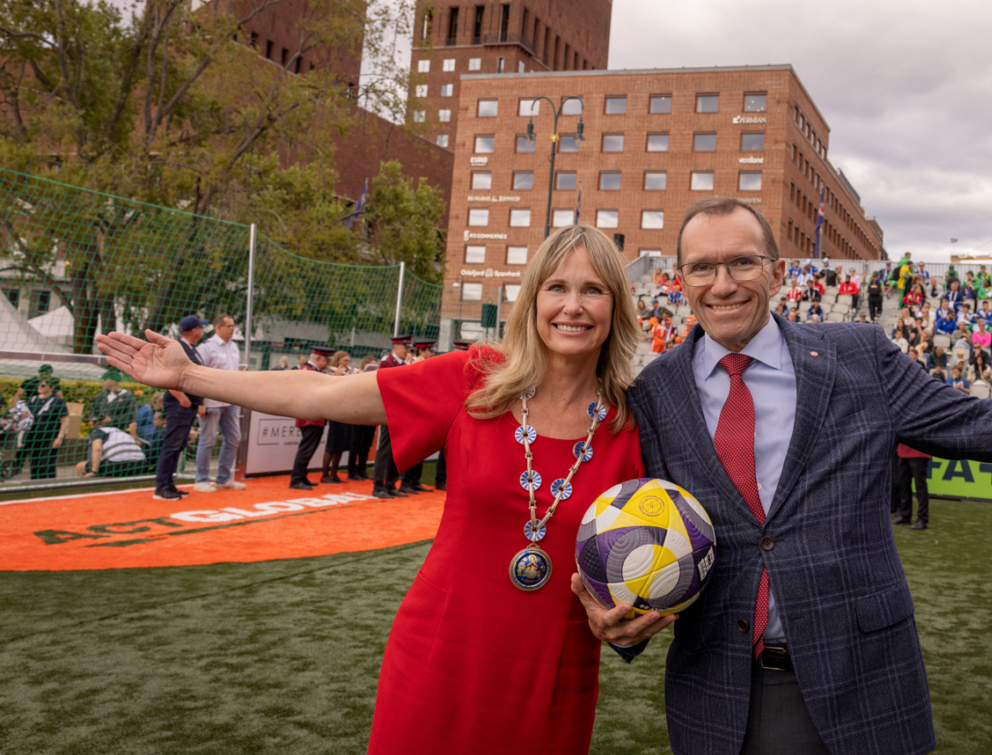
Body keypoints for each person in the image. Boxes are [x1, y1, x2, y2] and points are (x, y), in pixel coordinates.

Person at [572, 196, 992, 755]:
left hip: (865, 688)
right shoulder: (652, 394)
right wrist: (618, 619)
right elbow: (635, 525)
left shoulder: (860, 357)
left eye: (741, 262)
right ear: (679, 281)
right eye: (702, 268)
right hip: (717, 697)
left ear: (775, 271)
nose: (723, 283)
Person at [97, 224, 645, 755]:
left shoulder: (634, 425)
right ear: (533, 299)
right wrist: (190, 376)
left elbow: (649, 568)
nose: (572, 306)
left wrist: (629, 628)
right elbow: (317, 394)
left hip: (553, 679)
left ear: (615, 307)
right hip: (438, 659)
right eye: (557, 287)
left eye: (592, 290)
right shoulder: (475, 380)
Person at [155, 316, 207, 501]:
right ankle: (161, 487)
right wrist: (183, 399)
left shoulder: (191, 349)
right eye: (201, 327)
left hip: (188, 403)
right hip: (179, 403)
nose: (202, 331)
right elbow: (168, 375)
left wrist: (198, 401)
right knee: (172, 445)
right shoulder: (178, 348)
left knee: (178, 445)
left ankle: (168, 484)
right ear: (194, 330)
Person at [193, 314, 247, 493]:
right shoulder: (206, 348)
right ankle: (201, 479)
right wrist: (201, 402)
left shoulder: (234, 347)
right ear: (218, 328)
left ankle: (224, 479)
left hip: (231, 401)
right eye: (229, 326)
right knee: (207, 441)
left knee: (234, 438)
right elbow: (198, 375)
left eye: (233, 326)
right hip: (211, 402)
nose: (233, 329)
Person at [289, 345, 334, 490]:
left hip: (313, 417)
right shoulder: (308, 372)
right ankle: (296, 479)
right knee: (306, 448)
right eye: (327, 360)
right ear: (319, 358)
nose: (328, 364)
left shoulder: (310, 370)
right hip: (310, 417)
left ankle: (301, 476)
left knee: (308, 448)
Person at [373, 335, 412, 498]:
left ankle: (390, 484)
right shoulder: (386, 362)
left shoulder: (402, 363)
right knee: (385, 449)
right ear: (396, 347)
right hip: (389, 411)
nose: (408, 352)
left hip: (401, 411)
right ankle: (378, 486)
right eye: (405, 348)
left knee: (397, 450)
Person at [398, 340, 439, 494]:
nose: (433, 354)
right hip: (412, 413)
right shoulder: (414, 365)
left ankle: (414, 481)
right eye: (430, 351)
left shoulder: (427, 365)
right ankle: (406, 482)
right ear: (421, 351)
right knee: (412, 449)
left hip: (424, 412)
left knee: (421, 449)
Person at [17, 378, 67, 480]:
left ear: (51, 388)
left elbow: (65, 420)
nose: (39, 387)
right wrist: (24, 415)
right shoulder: (33, 399)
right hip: (34, 437)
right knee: (35, 465)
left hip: (51, 436)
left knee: (47, 463)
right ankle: (36, 489)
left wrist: (60, 437)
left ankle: (50, 487)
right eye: (40, 385)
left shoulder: (58, 401)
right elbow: (29, 418)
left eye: (43, 385)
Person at [320, 351, 357, 485]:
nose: (347, 363)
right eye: (345, 361)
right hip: (334, 412)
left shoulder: (349, 373)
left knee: (341, 445)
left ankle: (334, 474)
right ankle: (325, 475)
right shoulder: (330, 373)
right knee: (332, 444)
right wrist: (338, 377)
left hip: (346, 412)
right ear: (338, 361)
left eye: (348, 361)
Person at [892, 444, 931, 530]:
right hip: (902, 452)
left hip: (919, 452)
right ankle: (905, 516)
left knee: (920, 486)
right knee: (903, 485)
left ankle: (922, 519)